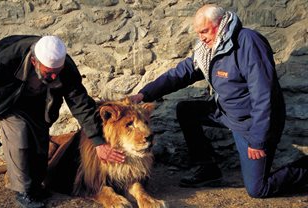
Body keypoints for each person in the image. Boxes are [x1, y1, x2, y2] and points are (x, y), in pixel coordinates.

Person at [130, 4, 307, 198]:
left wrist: (258, 140)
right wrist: (144, 95)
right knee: (187, 110)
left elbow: (264, 96)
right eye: (198, 33)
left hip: (250, 123)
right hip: (226, 112)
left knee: (258, 189)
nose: (202, 37)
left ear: (221, 23)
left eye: (205, 31)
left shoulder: (248, 42)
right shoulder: (208, 50)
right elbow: (180, 74)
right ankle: (207, 169)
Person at [0, 35, 125, 208]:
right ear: (34, 61)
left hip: (38, 101)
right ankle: (23, 192)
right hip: (10, 101)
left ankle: (34, 186)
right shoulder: (5, 56)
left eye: (58, 71)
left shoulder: (67, 69)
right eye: (49, 72)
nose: (55, 75)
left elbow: (81, 104)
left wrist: (98, 142)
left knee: (40, 144)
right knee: (19, 138)